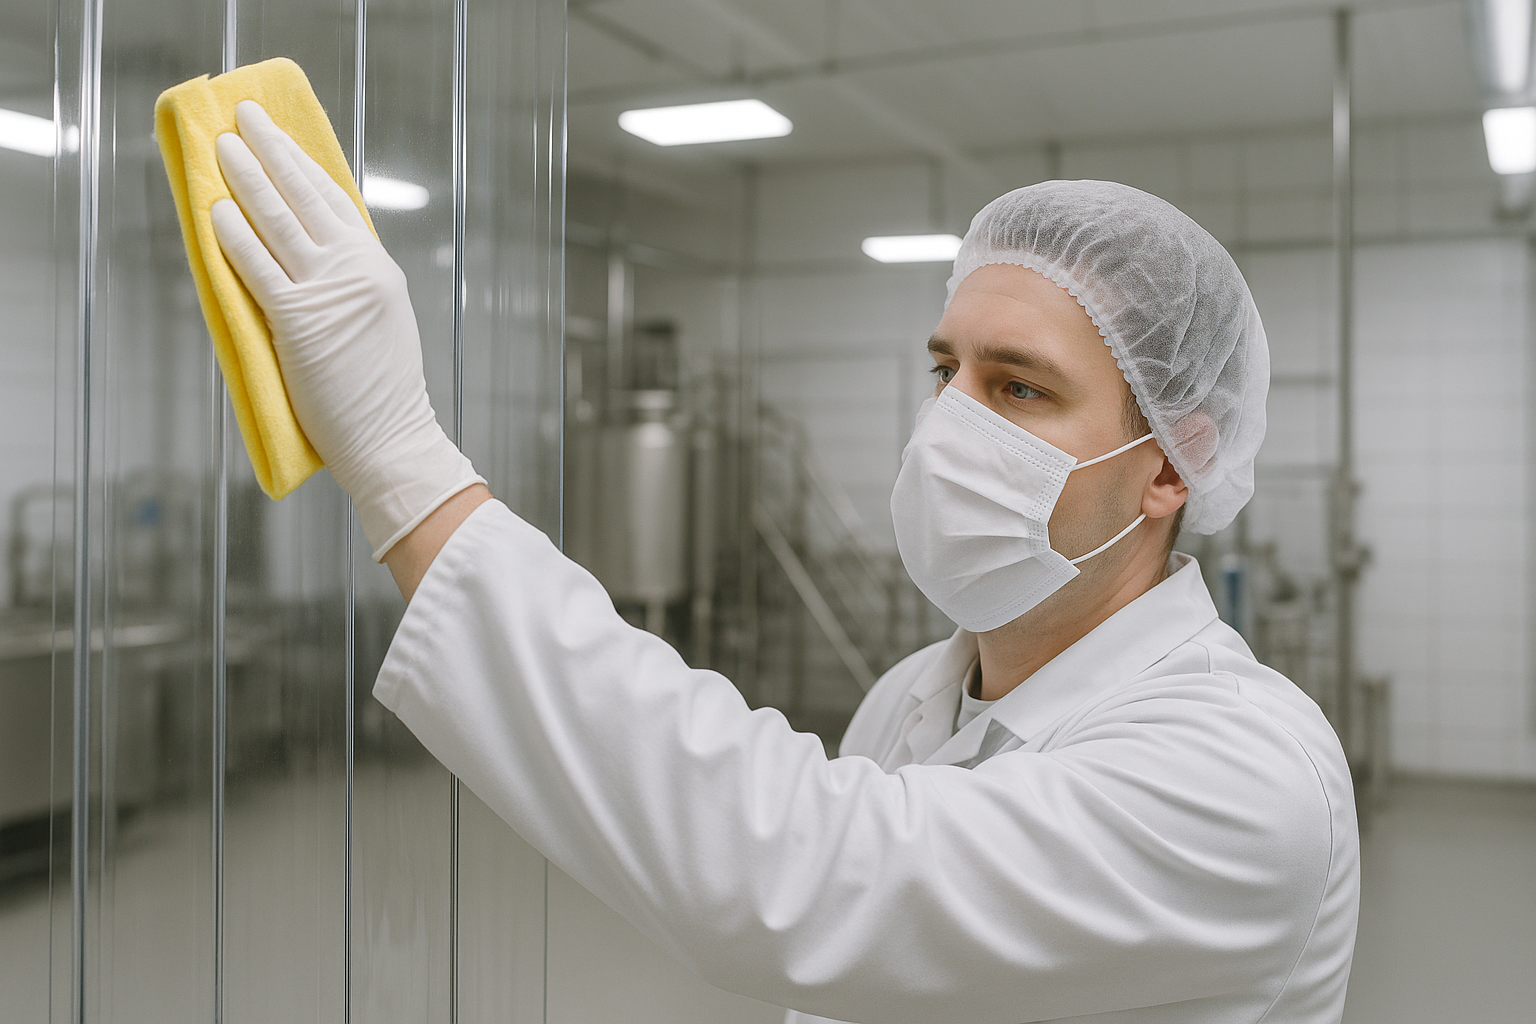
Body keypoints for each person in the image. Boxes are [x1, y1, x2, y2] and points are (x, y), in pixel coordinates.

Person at [210, 99, 1358, 1024]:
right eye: (943, 371)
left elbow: (812, 880)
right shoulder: (912, 704)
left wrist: (405, 464)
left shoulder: (1245, 775)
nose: (949, 424)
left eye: (1019, 388)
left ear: (1171, 468)